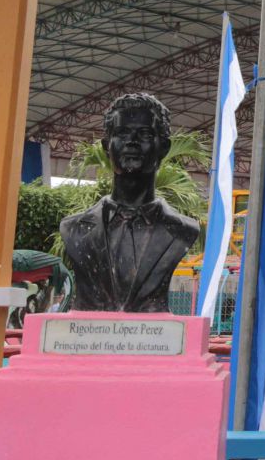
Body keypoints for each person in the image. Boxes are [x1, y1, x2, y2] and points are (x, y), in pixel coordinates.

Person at [58, 92, 201, 313]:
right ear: (107, 146)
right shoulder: (74, 228)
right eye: (122, 133)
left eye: (144, 134)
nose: (132, 142)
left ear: (163, 147)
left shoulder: (183, 230)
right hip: (88, 338)